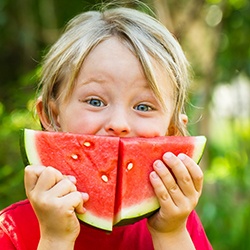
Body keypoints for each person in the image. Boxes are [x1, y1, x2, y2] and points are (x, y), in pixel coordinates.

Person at [0, 3, 213, 250]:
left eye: (144, 107)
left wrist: (171, 234)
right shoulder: (11, 230)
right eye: (95, 101)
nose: (118, 124)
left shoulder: (180, 226)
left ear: (172, 131)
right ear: (52, 116)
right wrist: (55, 239)